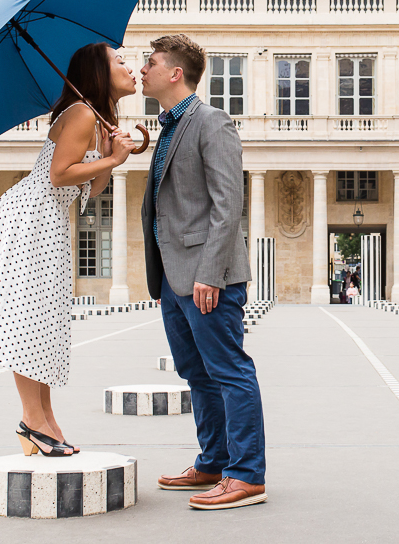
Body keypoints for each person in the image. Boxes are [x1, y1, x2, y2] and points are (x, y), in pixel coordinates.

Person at [0, 43, 136, 456]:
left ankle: (45, 420)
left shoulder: (97, 119)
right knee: (27, 320)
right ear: (99, 71)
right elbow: (60, 175)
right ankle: (32, 421)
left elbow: (86, 189)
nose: (129, 66)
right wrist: (112, 160)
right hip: (29, 218)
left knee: (43, 322)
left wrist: (113, 157)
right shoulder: (81, 112)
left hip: (48, 221)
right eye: (120, 61)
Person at [140, 34, 266, 510]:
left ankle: (247, 474)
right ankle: (214, 461)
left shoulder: (212, 122)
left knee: (230, 370)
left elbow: (228, 203)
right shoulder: (169, 126)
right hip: (175, 278)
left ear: (176, 73)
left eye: (149, 63)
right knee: (197, 373)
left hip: (207, 276)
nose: (142, 69)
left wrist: (210, 273)